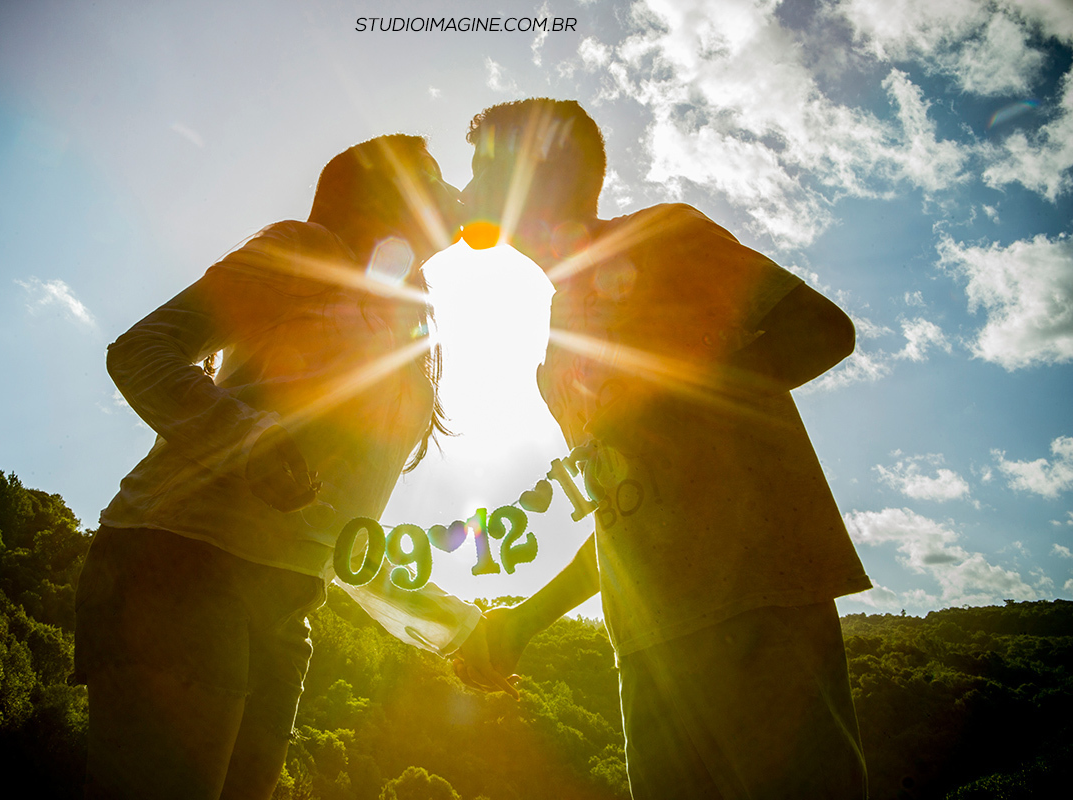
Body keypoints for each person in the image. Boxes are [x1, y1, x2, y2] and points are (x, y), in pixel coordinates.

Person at [454, 99, 874, 799]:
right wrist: (522, 623)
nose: (467, 192)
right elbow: (620, 513)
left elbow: (824, 330)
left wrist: (677, 396)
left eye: (483, 171)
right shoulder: (554, 354)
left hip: (758, 605)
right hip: (646, 651)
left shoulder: (664, 237)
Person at [74, 134, 511, 800]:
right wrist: (248, 438)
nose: (451, 191)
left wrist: (455, 625)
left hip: (287, 604)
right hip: (178, 560)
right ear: (380, 193)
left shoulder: (411, 335)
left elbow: (338, 526)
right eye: (431, 176)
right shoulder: (305, 250)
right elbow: (141, 349)